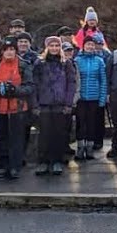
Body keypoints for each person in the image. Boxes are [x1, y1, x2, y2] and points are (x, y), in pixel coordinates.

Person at [0, 39, 33, 180]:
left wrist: (15, 90)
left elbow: (30, 86)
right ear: (2, 51)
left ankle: (14, 167)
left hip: (17, 107)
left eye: (12, 49)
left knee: (16, 139)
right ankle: (3, 165)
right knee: (1, 137)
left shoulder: (24, 66)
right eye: (6, 49)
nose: (9, 52)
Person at [32, 37, 77, 176]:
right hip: (44, 104)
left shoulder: (66, 63)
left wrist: (69, 103)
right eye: (51, 45)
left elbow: (71, 83)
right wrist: (35, 104)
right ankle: (43, 161)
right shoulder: (39, 63)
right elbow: (34, 85)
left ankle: (57, 160)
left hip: (60, 104)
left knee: (59, 133)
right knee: (44, 134)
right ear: (47, 47)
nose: (54, 48)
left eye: (57, 45)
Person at [73, 34, 108, 161]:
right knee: (80, 123)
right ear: (83, 46)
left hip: (94, 96)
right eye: (88, 44)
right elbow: (74, 80)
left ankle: (89, 148)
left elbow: (103, 80)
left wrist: (102, 98)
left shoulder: (99, 61)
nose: (90, 47)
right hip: (81, 97)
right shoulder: (77, 60)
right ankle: (80, 147)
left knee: (92, 123)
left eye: (92, 45)